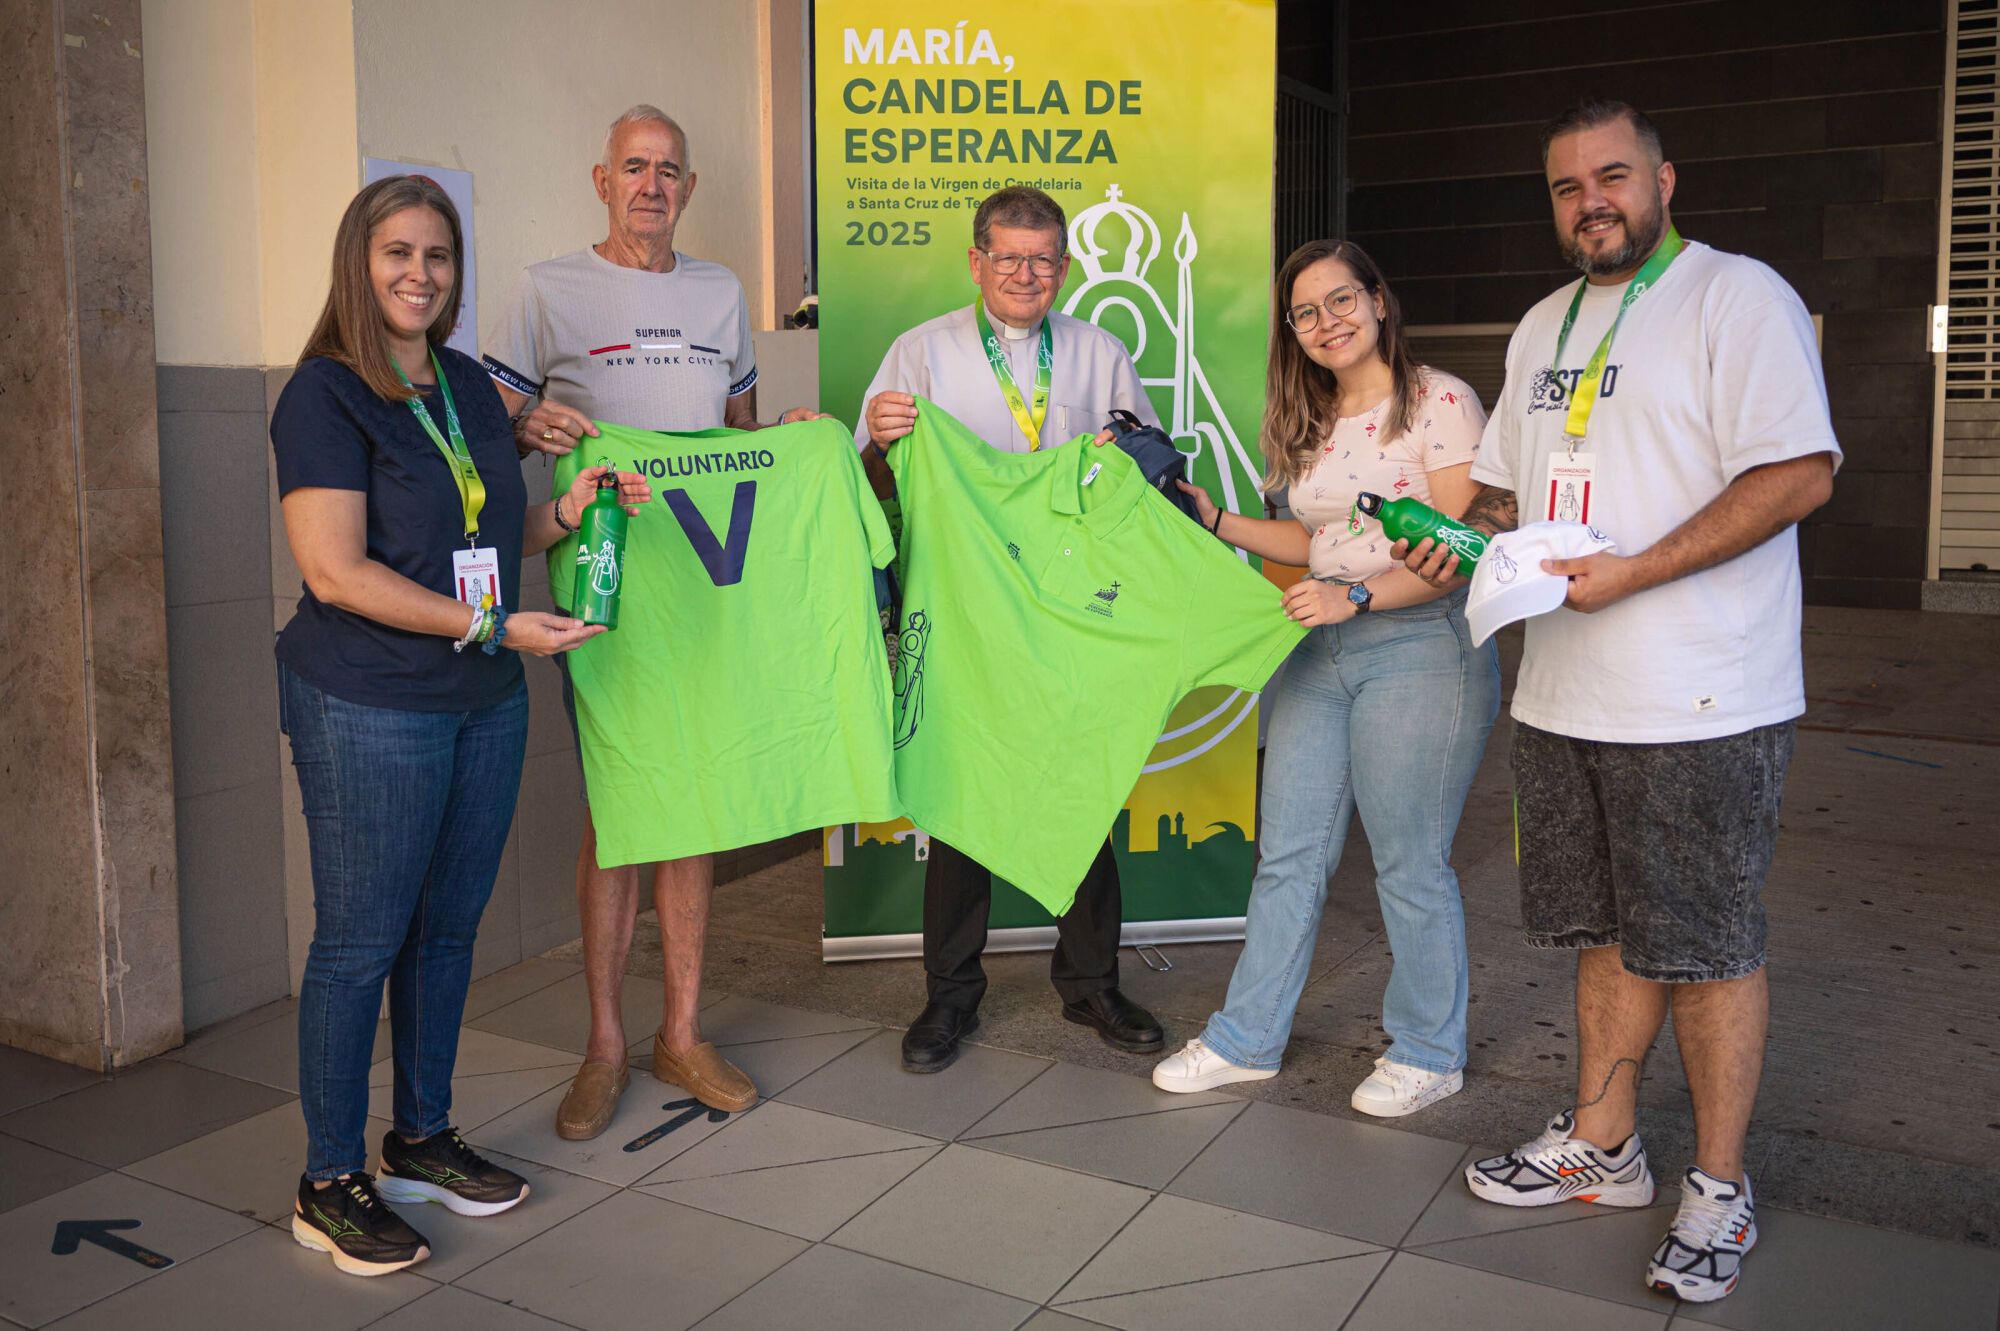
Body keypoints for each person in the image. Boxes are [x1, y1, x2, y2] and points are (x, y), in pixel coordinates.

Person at [1397, 98, 1837, 1304]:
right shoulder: (1540, 324)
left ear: (1660, 179)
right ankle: (1603, 1148)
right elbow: (1499, 493)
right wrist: (1457, 541)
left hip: (1701, 693)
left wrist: (1638, 567)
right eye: (1564, 186)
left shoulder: (1731, 297)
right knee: (1601, 931)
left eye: (1611, 176)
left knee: (1704, 947)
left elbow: (1798, 471)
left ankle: (1718, 1183)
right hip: (1561, 692)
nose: (1590, 200)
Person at [274, 174, 650, 1276]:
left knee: (446, 932)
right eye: (397, 253)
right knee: (359, 943)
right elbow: (334, 572)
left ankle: (420, 1137)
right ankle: (328, 1178)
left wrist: (568, 513)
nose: (419, 274)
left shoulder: (471, 388)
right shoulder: (323, 395)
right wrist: (496, 630)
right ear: (360, 261)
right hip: (367, 699)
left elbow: (486, 528)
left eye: (437, 257)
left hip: (478, 698)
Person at [485, 105, 819, 1137]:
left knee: (694, 803)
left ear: (688, 185)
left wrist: (789, 445)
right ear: (601, 178)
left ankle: (679, 1030)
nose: (651, 185)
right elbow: (481, 434)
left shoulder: (720, 292)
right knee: (621, 809)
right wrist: (524, 421)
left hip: (705, 588)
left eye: (668, 170)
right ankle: (604, 1044)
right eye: (634, 168)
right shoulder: (546, 289)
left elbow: (738, 439)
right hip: (605, 579)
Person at [1147, 240, 1499, 1115]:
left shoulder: (1441, 401)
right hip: (1316, 649)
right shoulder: (1305, 419)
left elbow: (1463, 547)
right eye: (1306, 312)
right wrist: (1218, 519)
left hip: (1422, 645)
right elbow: (1315, 540)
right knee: (1290, 855)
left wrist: (1357, 594)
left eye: (1341, 301)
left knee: (1409, 859)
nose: (1325, 323)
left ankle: (1428, 1049)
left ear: (1379, 301)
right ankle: (1245, 1038)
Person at [859, 185, 1167, 1072]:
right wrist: (880, 443)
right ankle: (950, 995)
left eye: (1042, 259)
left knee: (1084, 789)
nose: (1026, 274)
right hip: (960, 616)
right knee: (963, 804)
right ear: (976, 262)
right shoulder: (917, 354)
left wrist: (1124, 460)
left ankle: (1092, 985)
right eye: (1008, 257)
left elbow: (1143, 475)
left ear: (1064, 267)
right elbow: (868, 491)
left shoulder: (1100, 353)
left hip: (1072, 614)